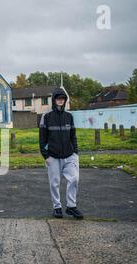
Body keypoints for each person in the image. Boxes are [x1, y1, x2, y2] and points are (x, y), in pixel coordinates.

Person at [39, 87, 83, 219]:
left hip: (70, 156)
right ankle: (57, 207)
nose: (60, 100)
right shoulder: (46, 117)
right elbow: (42, 138)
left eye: (63, 98)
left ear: (65, 101)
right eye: (58, 98)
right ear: (54, 100)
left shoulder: (69, 116)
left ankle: (71, 206)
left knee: (74, 179)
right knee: (54, 183)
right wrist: (45, 155)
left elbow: (73, 136)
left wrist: (75, 152)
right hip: (52, 156)